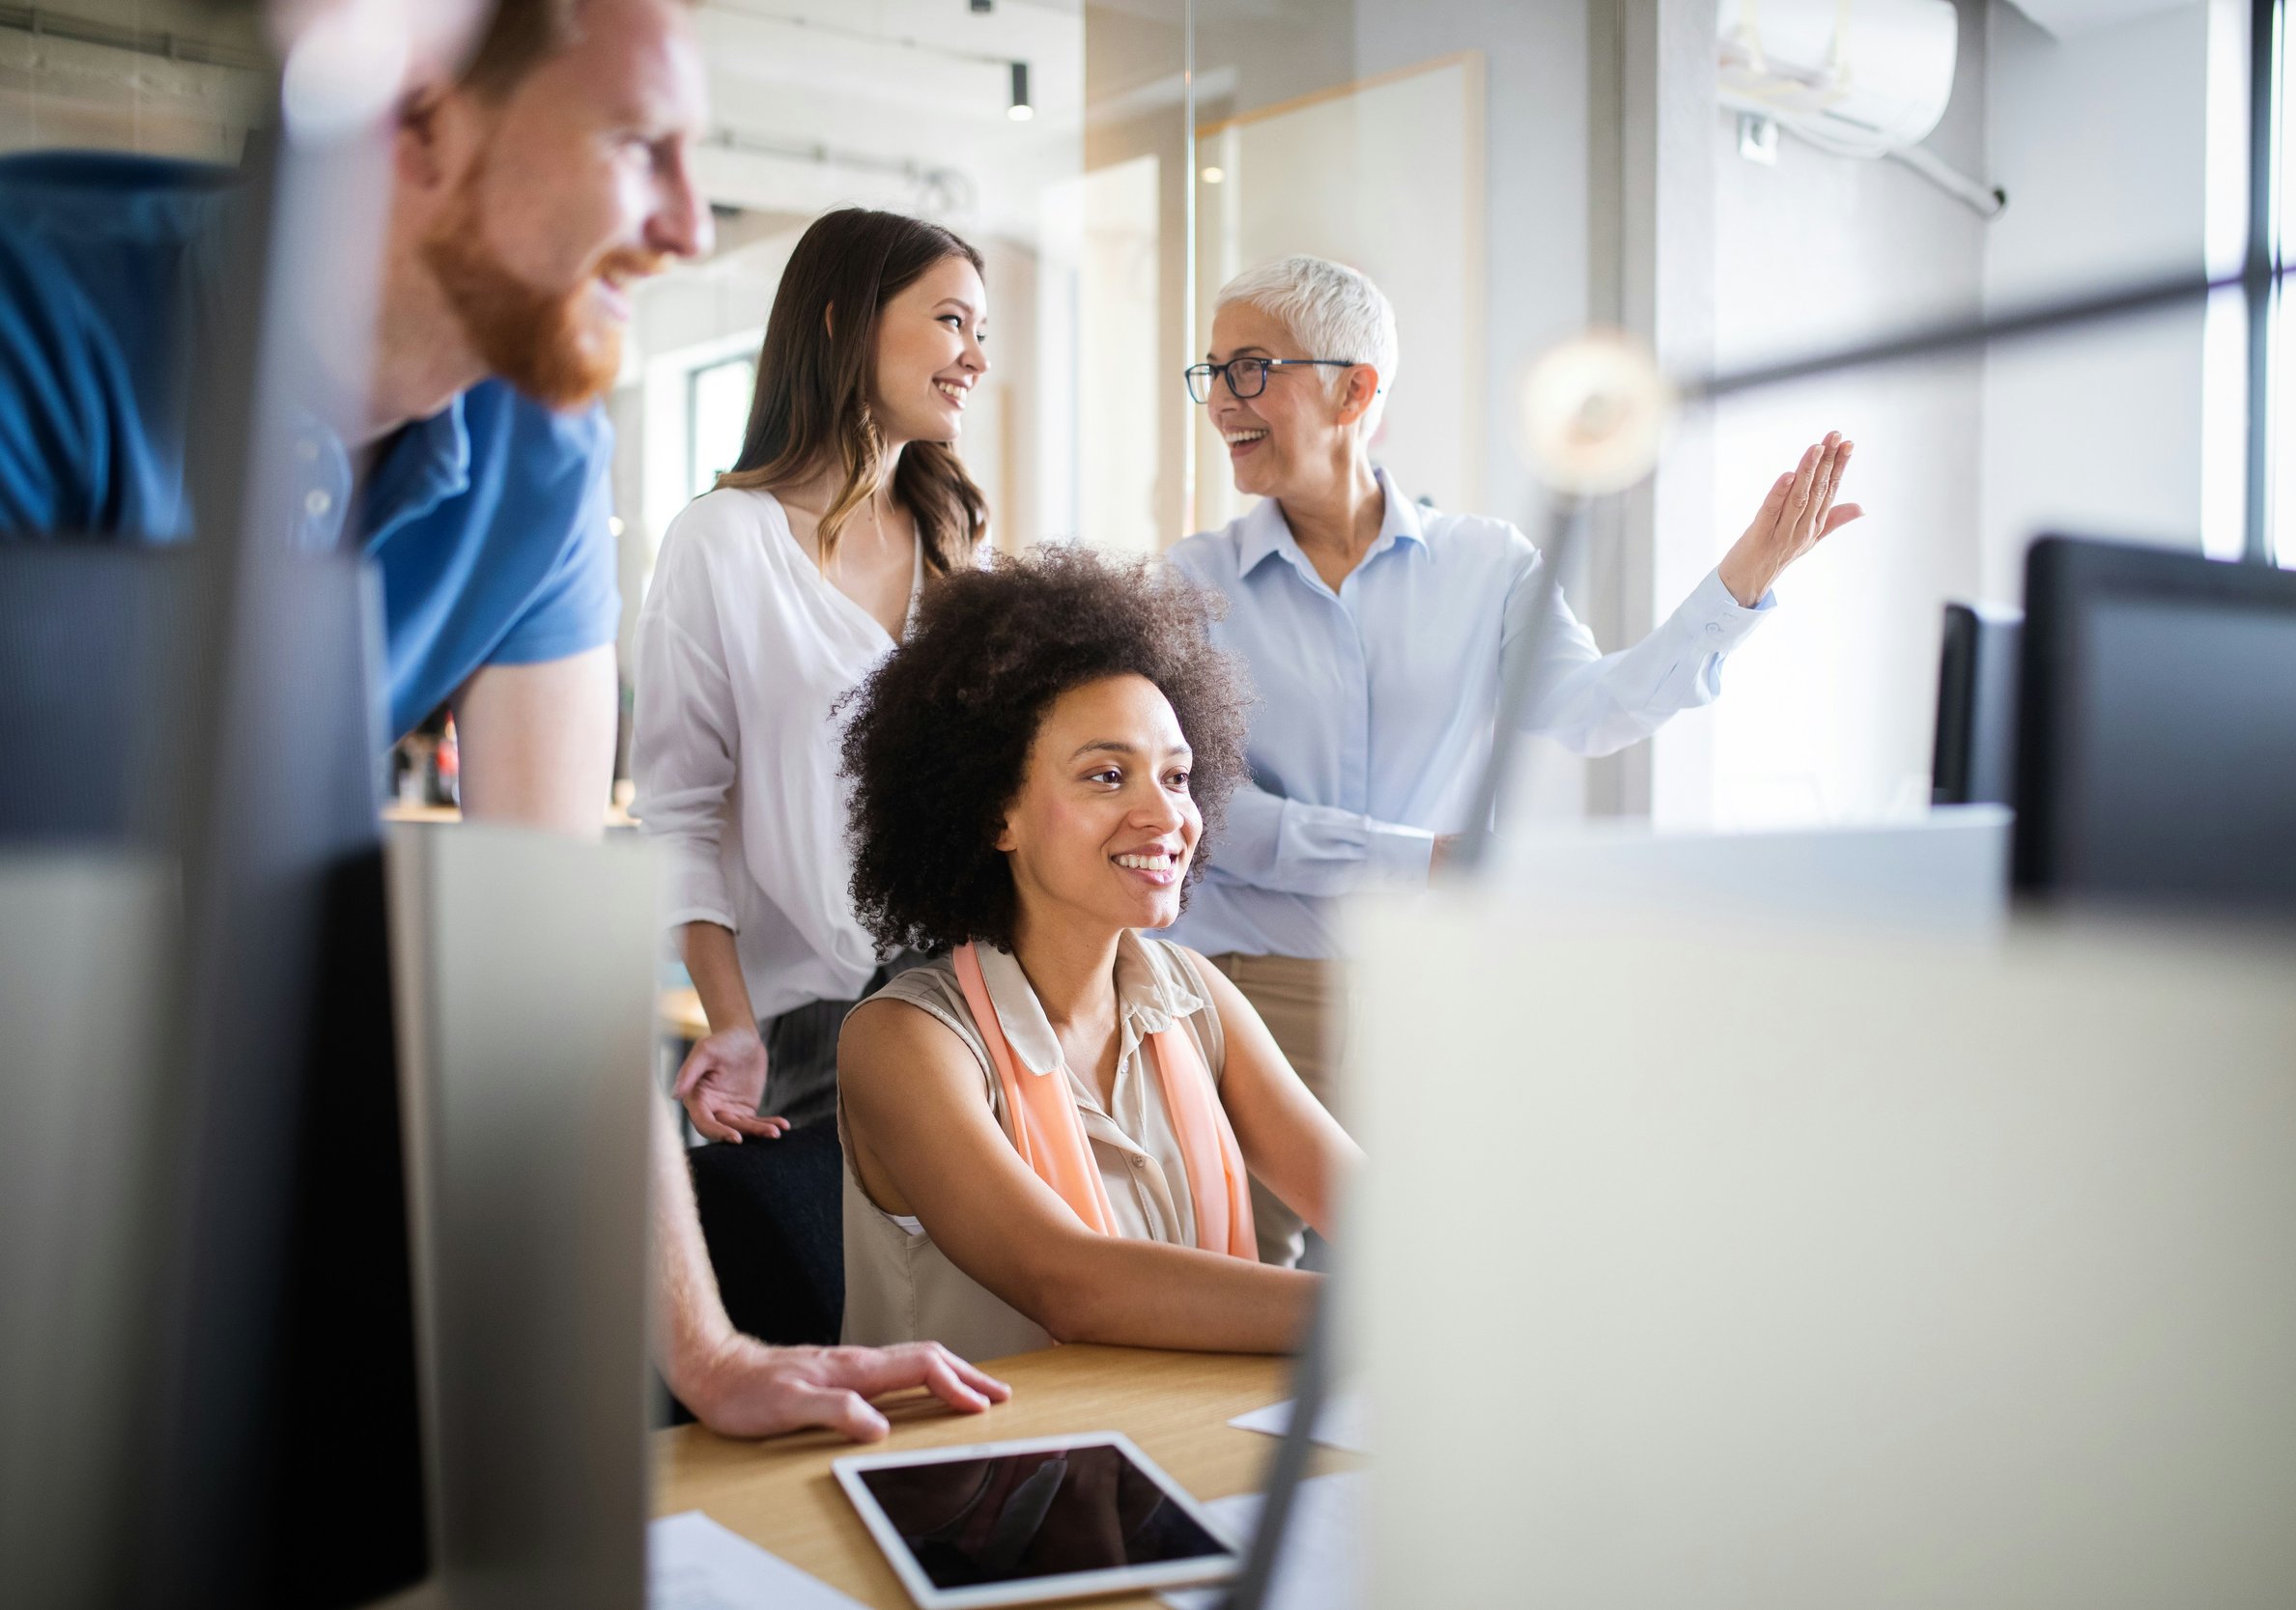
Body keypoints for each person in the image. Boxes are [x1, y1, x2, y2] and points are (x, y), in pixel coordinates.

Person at [0, 0, 1004, 1440]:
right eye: (635, 145)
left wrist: (705, 1349)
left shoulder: (537, 453)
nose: (680, 225)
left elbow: (545, 949)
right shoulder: (41, 320)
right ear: (414, 120)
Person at [1167, 255, 1862, 1265]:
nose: (1223, 398)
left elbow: (1595, 709)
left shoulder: (1485, 564)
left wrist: (1738, 584)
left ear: (1356, 386)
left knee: (1421, 1292)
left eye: (1250, 367)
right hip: (1247, 989)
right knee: (1236, 1289)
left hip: (1425, 993)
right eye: (1214, 370)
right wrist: (1424, 861)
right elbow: (1213, 816)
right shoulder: (1187, 585)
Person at [832, 548, 1362, 1361]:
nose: (1167, 816)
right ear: (994, 815)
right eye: (1108, 776)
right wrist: (1397, 1311)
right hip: (976, 1479)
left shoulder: (1197, 994)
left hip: (1174, 1448)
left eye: (1178, 777)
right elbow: (1070, 1282)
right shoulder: (904, 1042)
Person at [633, 208, 990, 1145]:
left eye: (980, 331)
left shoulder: (957, 545)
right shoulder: (720, 542)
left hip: (979, 997)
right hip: (812, 1032)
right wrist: (732, 1021)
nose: (976, 357)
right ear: (841, 320)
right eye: (953, 320)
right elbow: (678, 812)